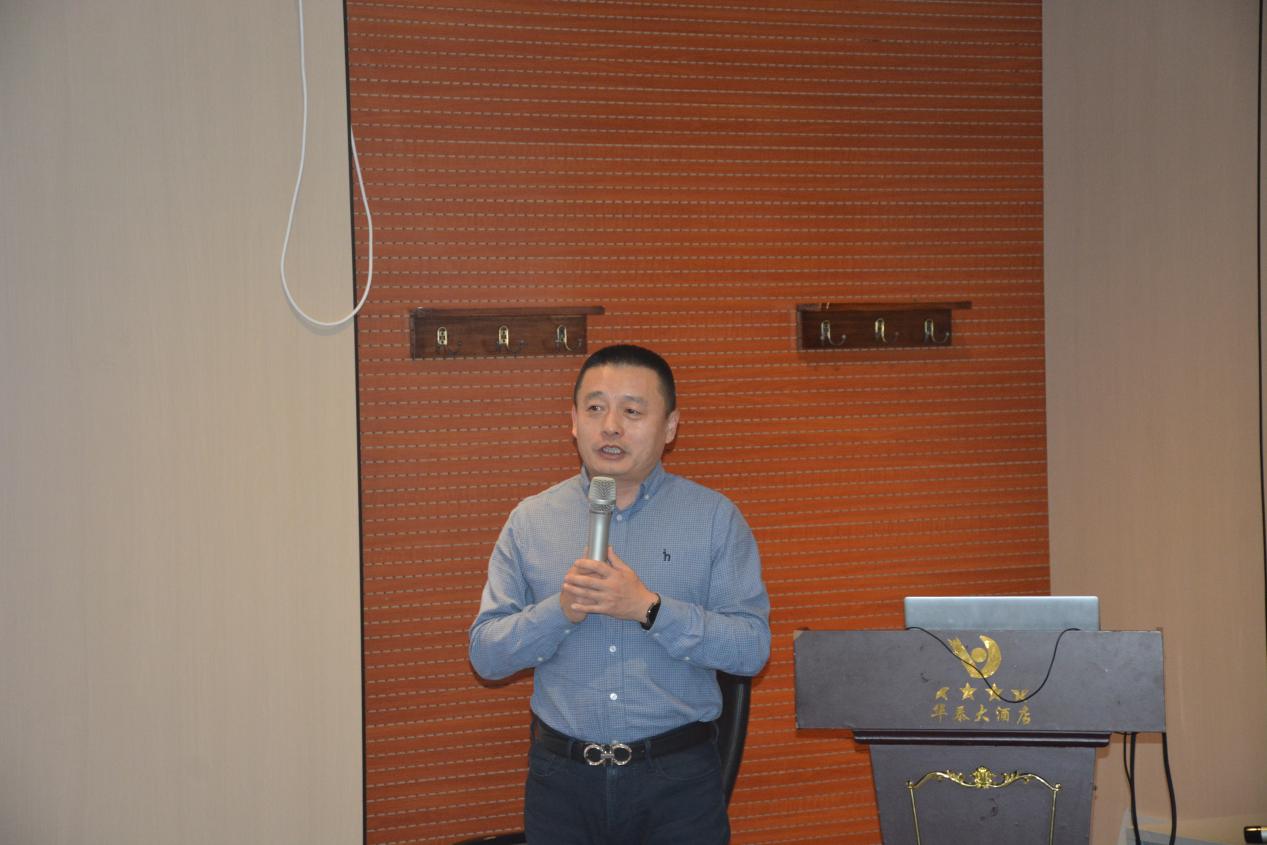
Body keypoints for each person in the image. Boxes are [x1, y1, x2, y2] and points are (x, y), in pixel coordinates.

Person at [469, 344, 771, 844]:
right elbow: (486, 656)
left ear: (670, 427)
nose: (610, 426)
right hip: (561, 780)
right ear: (573, 421)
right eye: (595, 408)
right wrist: (560, 611)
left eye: (632, 411)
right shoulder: (531, 521)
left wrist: (648, 609)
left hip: (676, 781)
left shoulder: (715, 520)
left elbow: (751, 649)